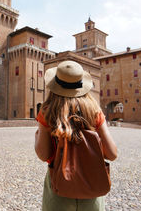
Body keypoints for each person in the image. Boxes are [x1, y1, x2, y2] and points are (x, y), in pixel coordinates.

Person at [35, 61, 118, 211]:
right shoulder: (95, 112)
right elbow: (112, 154)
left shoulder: (47, 112)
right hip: (92, 189)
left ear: (55, 85)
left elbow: (43, 154)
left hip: (58, 191)